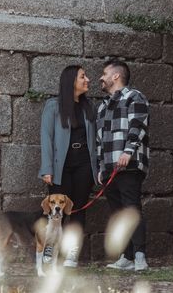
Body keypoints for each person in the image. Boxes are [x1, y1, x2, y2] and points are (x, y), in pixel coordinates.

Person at [39, 65, 97, 268]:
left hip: (84, 165)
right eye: (83, 76)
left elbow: (95, 140)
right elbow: (46, 137)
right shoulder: (53, 106)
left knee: (78, 210)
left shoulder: (89, 107)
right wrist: (46, 168)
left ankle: (72, 253)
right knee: (56, 211)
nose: (87, 80)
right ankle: (50, 249)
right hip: (60, 165)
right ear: (71, 81)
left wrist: (96, 169)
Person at [96, 59, 150, 272]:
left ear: (116, 76)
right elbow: (100, 140)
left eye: (104, 73)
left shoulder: (134, 97)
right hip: (109, 169)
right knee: (118, 213)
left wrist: (128, 152)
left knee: (131, 209)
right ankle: (126, 257)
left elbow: (138, 126)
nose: (101, 77)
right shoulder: (102, 106)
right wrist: (101, 167)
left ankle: (139, 256)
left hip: (130, 165)